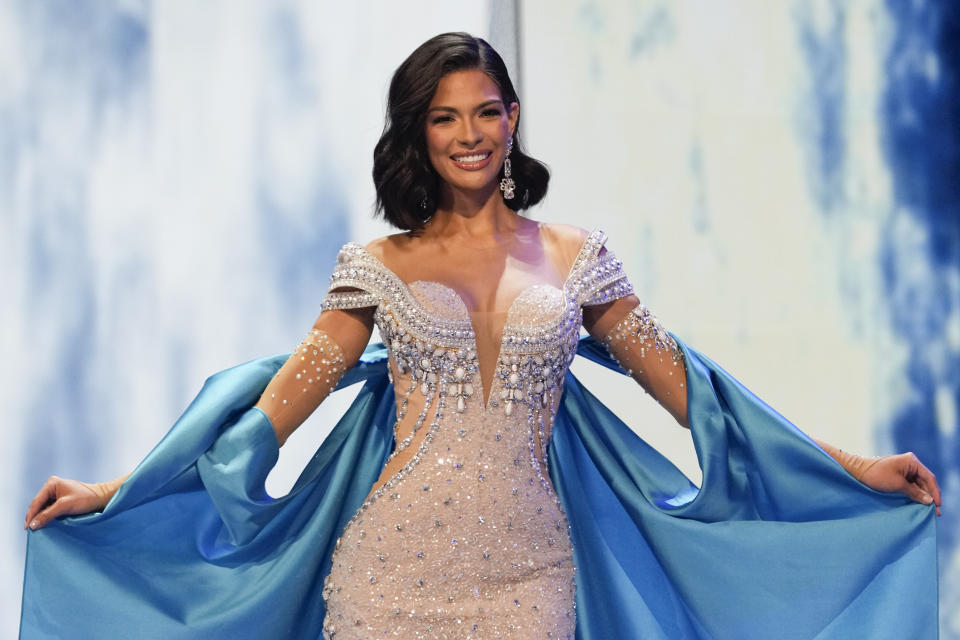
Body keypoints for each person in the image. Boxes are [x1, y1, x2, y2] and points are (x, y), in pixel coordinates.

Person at [21, 33, 941, 640]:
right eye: (444, 117)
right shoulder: (374, 265)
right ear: (418, 134)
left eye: (488, 111)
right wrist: (116, 492)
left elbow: (694, 395)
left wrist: (851, 470)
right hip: (387, 575)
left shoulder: (580, 257)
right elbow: (271, 416)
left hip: (530, 574)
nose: (471, 134)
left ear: (512, 118)